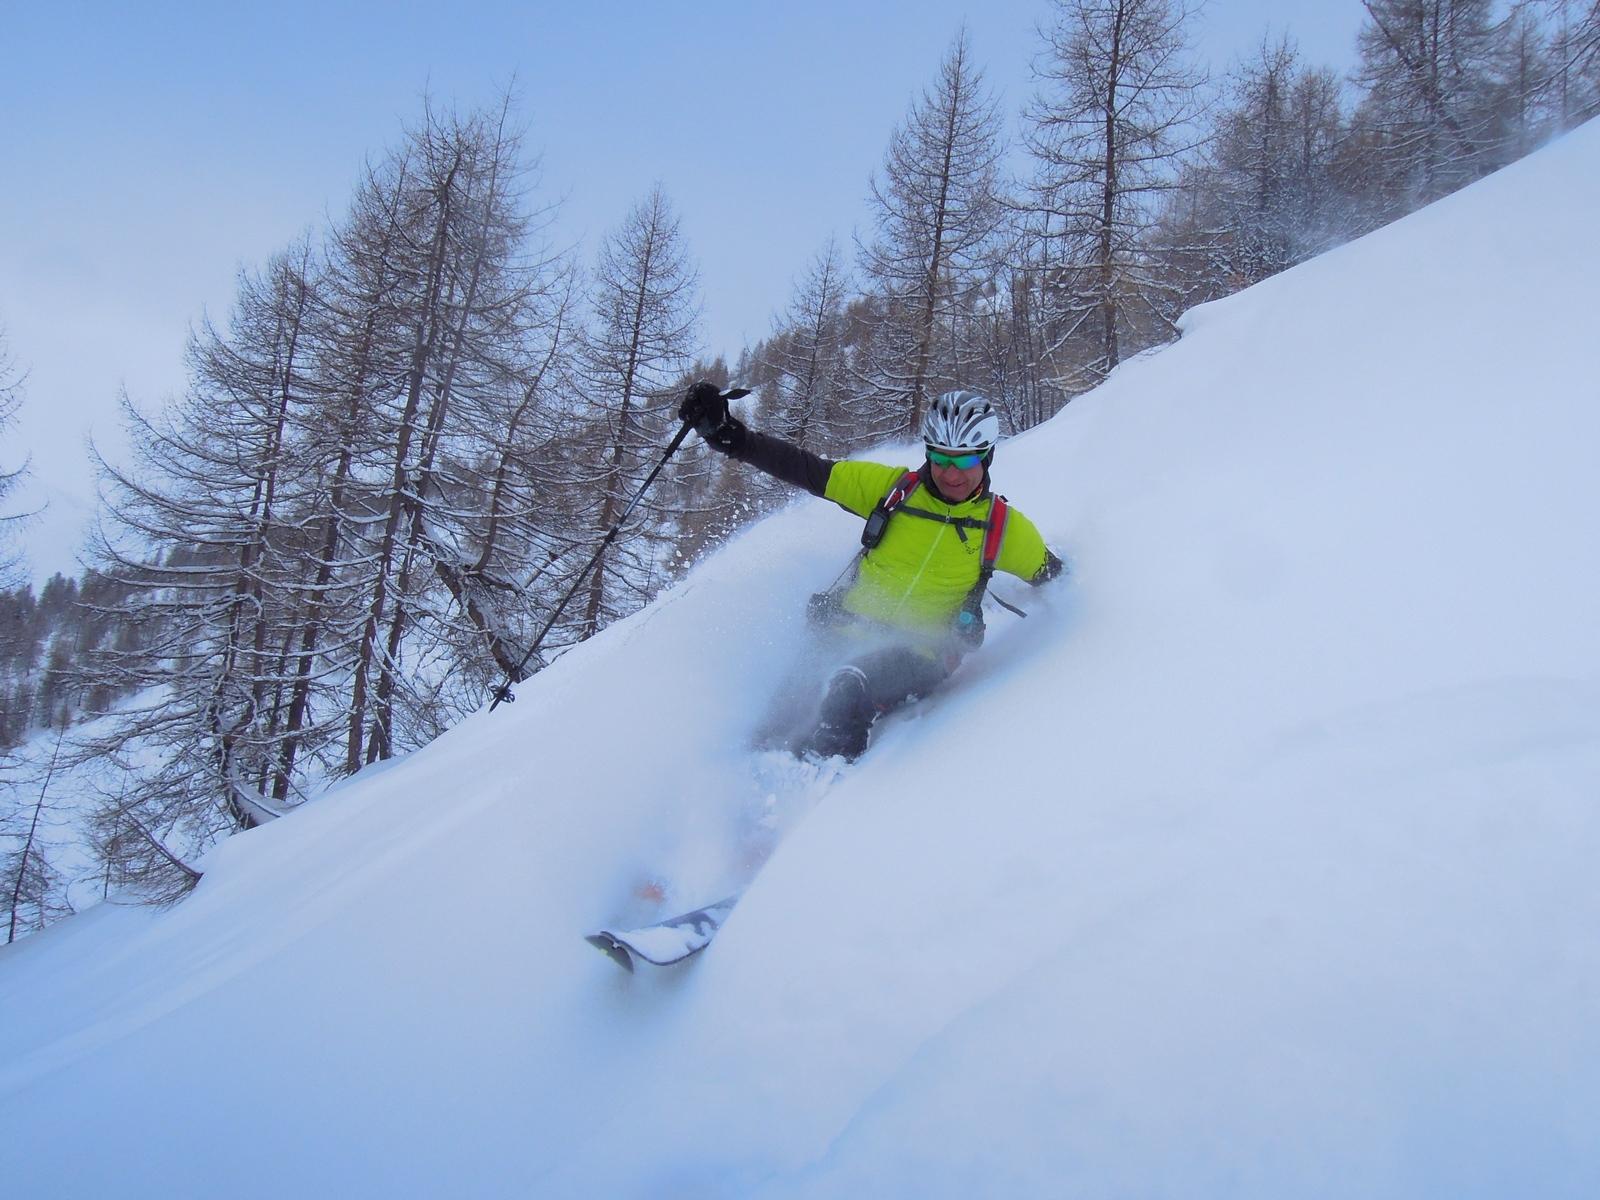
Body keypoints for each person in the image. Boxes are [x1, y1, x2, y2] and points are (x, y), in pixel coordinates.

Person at [679, 382, 1064, 760]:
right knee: (771, 728)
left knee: (848, 689)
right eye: (941, 459)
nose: (951, 474)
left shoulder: (1002, 528)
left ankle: (830, 787)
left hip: (919, 653)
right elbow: (809, 470)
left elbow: (1060, 579)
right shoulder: (894, 491)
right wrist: (733, 437)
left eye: (965, 461)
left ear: (987, 456)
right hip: (841, 634)